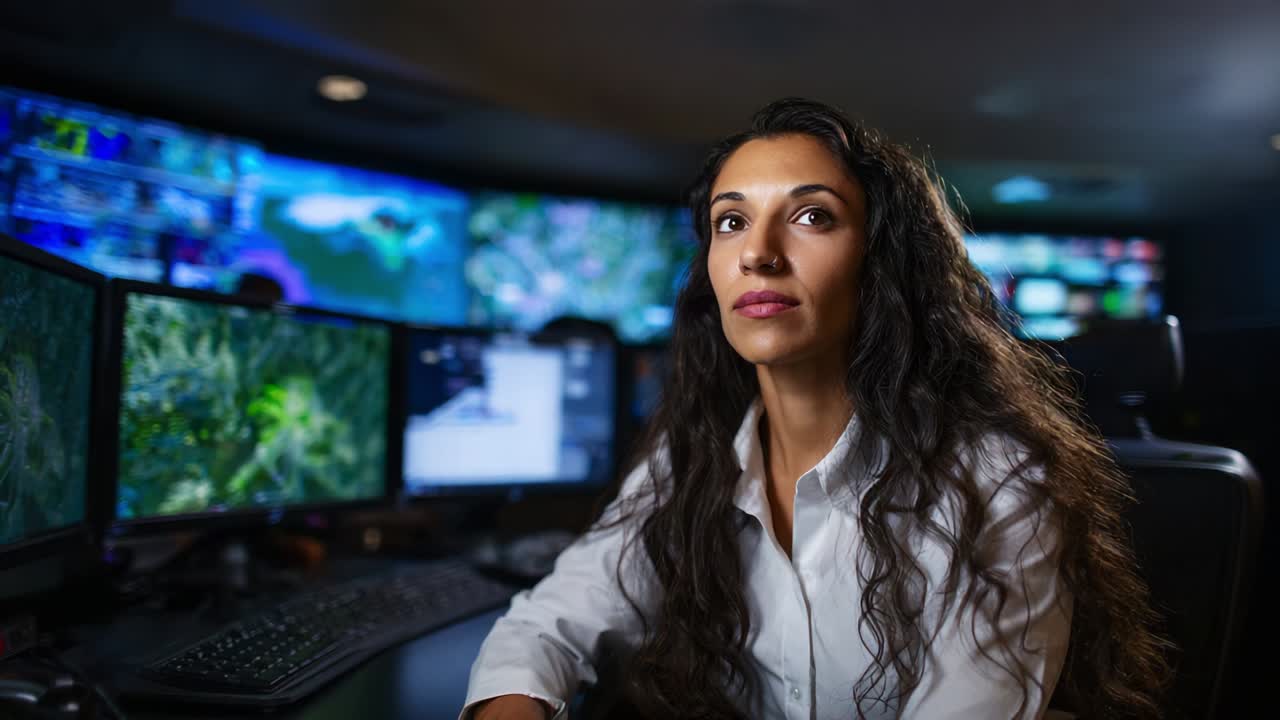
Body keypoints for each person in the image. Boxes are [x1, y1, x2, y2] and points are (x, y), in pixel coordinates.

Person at [463, 98, 1170, 720]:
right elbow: (551, 621)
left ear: (880, 262)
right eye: (731, 221)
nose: (759, 255)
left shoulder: (996, 483)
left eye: (811, 216)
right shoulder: (690, 464)